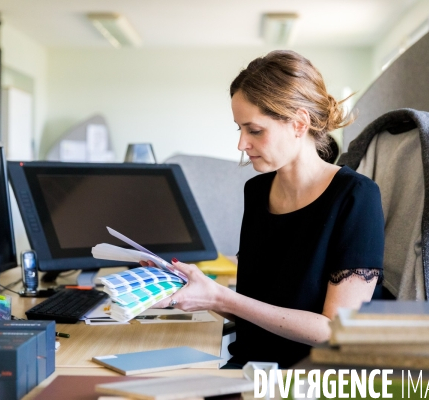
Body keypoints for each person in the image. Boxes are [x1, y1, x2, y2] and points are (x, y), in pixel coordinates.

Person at [150, 50, 385, 368]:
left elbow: (336, 332)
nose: (241, 144)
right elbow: (254, 305)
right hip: (248, 365)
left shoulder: (357, 197)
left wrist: (221, 297)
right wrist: (197, 287)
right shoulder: (257, 191)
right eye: (240, 129)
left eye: (255, 130)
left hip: (308, 377)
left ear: (299, 123)